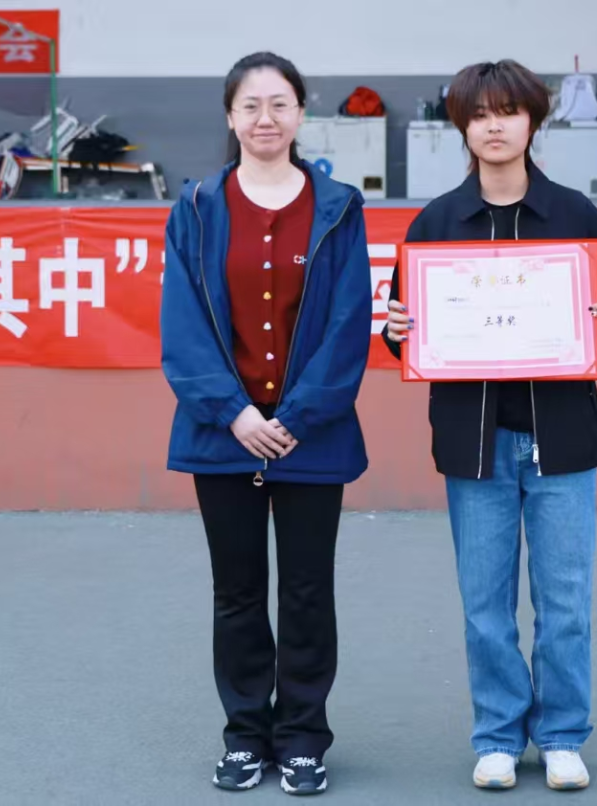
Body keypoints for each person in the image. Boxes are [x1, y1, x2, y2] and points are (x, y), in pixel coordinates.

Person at [383, 60, 597, 791]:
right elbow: (407, 329)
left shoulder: (577, 217)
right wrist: (399, 329)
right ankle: (496, 735)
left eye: (509, 112)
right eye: (480, 114)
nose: (495, 126)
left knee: (566, 604)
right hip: (476, 443)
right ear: (462, 127)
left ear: (532, 121)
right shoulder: (435, 223)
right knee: (485, 605)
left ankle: (561, 736)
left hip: (563, 441)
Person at [160, 51, 372, 796]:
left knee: (308, 590)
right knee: (238, 591)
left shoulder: (339, 206)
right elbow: (182, 329)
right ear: (230, 116)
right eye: (250, 105)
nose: (265, 119)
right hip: (224, 437)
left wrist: (299, 416)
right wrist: (236, 414)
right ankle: (246, 735)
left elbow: (350, 323)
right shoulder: (196, 208)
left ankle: (304, 736)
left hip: (314, 434)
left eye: (280, 104)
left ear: (300, 113)